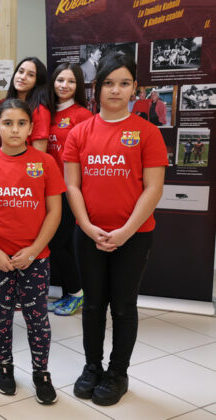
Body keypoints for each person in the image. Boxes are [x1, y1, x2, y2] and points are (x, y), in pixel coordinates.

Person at [64, 51, 167, 406]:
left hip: (134, 236)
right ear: (97, 87)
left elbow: (153, 188)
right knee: (93, 305)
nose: (115, 90)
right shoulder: (80, 132)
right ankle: (92, 367)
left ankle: (117, 373)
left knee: (123, 306)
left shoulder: (147, 133)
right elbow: (72, 185)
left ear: (134, 88)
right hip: (88, 235)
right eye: (108, 83)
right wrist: (87, 226)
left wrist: (125, 232)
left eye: (124, 83)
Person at [0, 98, 65, 405]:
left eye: (21, 123)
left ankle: (41, 371)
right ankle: (4, 365)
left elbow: (54, 212)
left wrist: (34, 250)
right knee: (1, 312)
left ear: (31, 128)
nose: (14, 129)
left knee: (38, 317)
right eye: (7, 123)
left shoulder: (45, 162)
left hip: (35, 257)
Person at [46, 63, 92, 316]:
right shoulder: (47, 112)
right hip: (47, 190)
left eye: (71, 81)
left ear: (79, 86)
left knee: (56, 243)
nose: (64, 85)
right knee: (55, 245)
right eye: (60, 80)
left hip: (69, 190)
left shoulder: (82, 115)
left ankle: (76, 293)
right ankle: (68, 294)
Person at [6, 57, 51, 152]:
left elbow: (39, 153)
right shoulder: (4, 104)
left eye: (30, 75)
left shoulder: (39, 111)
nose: (23, 77)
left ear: (37, 81)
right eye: (21, 71)